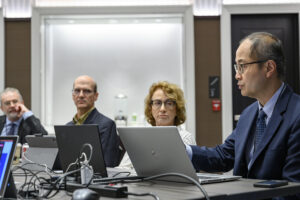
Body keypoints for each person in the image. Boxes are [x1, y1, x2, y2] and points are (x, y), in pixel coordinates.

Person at [187, 32, 300, 199]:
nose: (237, 75)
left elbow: (293, 190)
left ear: (269, 68)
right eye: (236, 67)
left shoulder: (296, 114)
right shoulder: (249, 114)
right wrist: (185, 151)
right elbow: (225, 156)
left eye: (242, 66)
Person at [118, 81, 196, 169]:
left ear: (177, 109)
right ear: (150, 108)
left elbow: (184, 172)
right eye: (157, 103)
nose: (162, 109)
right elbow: (122, 170)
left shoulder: (185, 137)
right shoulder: (141, 137)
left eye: (169, 103)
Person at [67, 75, 121, 167]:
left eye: (87, 91)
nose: (81, 95)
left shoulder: (107, 125)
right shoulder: (67, 127)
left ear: (96, 96)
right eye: (77, 91)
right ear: (73, 96)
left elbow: (108, 165)